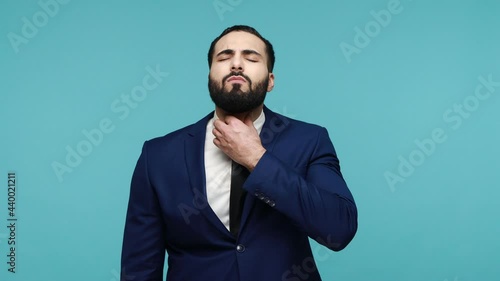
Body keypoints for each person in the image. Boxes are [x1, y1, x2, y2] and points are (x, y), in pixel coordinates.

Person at [121, 25, 357, 281]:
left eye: (251, 57)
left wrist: (257, 158)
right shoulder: (158, 155)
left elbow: (339, 229)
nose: (236, 64)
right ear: (210, 76)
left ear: (270, 81)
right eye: (224, 57)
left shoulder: (310, 140)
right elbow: (140, 266)